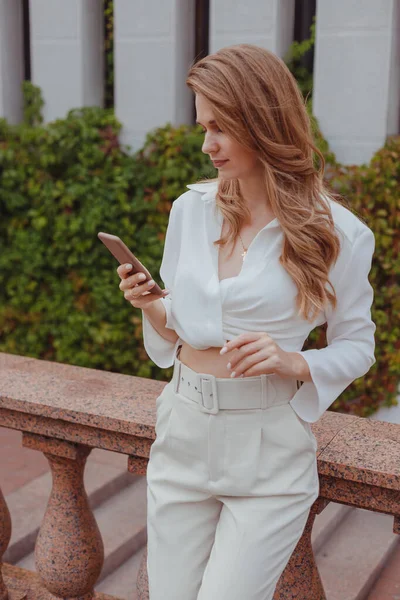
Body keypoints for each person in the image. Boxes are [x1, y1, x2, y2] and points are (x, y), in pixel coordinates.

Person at [117, 44, 376, 600]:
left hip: (268, 449)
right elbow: (179, 329)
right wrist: (149, 304)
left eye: (220, 127)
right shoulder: (191, 210)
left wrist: (295, 360)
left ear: (263, 121)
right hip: (183, 428)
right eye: (202, 127)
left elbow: (358, 344)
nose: (207, 145)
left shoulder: (341, 233)